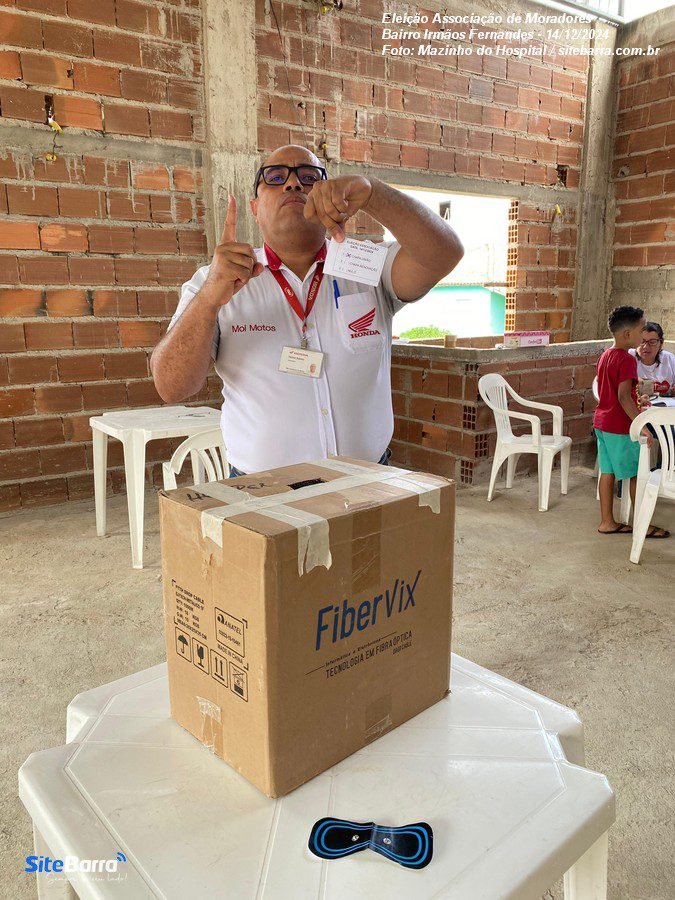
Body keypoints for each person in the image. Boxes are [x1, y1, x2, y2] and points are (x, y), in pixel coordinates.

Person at [150, 145, 464, 475]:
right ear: (255, 209)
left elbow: (445, 253)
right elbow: (172, 386)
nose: (293, 183)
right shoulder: (217, 282)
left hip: (368, 482)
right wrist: (208, 301)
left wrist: (373, 193)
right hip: (262, 491)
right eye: (275, 177)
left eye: (309, 177)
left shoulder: (366, 266)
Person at [593, 305, 669, 538]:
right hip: (620, 427)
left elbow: (615, 392)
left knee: (607, 472)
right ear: (628, 334)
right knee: (637, 474)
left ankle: (607, 522)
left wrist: (639, 399)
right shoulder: (626, 359)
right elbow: (623, 397)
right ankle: (643, 525)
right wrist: (641, 426)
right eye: (641, 329)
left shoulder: (606, 354)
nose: (643, 334)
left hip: (602, 423)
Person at [629, 321, 675, 397]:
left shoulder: (670, 359)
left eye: (652, 342)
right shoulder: (628, 357)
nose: (646, 347)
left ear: (661, 343)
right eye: (642, 341)